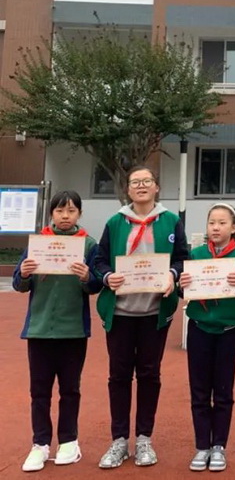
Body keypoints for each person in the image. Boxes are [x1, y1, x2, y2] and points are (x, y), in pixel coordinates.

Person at [94, 166, 189, 469]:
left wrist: (173, 274)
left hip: (154, 313)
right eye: (135, 182)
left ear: (157, 187)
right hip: (120, 312)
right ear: (128, 189)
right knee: (119, 376)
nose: (141, 186)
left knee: (149, 374)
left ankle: (144, 437)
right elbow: (99, 260)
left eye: (147, 181)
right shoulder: (115, 222)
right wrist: (107, 276)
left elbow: (182, 257)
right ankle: (119, 440)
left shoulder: (171, 221)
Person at [13, 191, 103, 472]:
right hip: (39, 329)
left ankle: (68, 441)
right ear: (51, 213)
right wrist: (24, 273)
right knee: (39, 392)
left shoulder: (89, 245)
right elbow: (18, 284)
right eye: (60, 211)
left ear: (79, 214)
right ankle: (40, 443)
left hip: (73, 330)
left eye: (71, 211)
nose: (65, 216)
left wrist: (87, 277)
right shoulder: (38, 243)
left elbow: (97, 284)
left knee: (70, 390)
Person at [180, 203, 235, 472]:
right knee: (199, 391)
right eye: (211, 222)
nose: (215, 228)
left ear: (234, 227)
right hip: (199, 329)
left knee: (224, 391)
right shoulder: (196, 254)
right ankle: (202, 446)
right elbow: (184, 291)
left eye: (222, 223)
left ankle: (219, 446)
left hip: (228, 331)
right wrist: (182, 285)